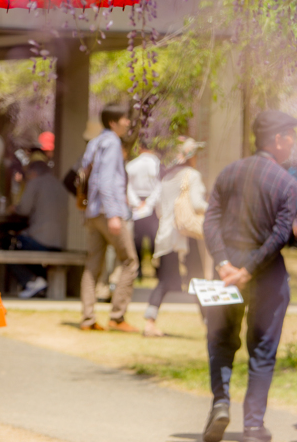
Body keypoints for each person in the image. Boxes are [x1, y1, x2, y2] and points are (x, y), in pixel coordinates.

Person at [202, 109, 297, 442]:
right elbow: (280, 234)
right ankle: (254, 426)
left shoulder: (229, 172)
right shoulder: (285, 181)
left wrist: (224, 263)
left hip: (226, 276)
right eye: (290, 136)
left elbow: (210, 221)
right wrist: (250, 270)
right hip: (267, 276)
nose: (293, 143)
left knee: (220, 340)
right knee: (262, 349)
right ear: (277, 139)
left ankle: (220, 403)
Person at [79, 102, 139, 332]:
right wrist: (114, 214)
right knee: (130, 261)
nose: (128, 123)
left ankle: (87, 318)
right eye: (125, 119)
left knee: (93, 265)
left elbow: (85, 173)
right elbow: (105, 180)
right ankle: (117, 316)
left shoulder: (94, 142)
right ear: (114, 122)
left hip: (92, 212)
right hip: (107, 212)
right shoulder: (113, 142)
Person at [143, 138, 207, 337]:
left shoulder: (167, 177)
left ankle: (149, 322)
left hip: (166, 234)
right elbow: (197, 204)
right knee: (198, 280)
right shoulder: (192, 175)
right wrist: (215, 209)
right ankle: (209, 324)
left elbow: (160, 209)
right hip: (184, 235)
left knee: (165, 279)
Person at [10, 157, 68, 298]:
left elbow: (23, 210)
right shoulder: (60, 185)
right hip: (60, 242)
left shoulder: (35, 182)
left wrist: (12, 208)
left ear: (33, 173)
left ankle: (32, 281)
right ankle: (39, 283)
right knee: (27, 246)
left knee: (10, 244)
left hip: (41, 240)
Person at [126, 144, 161, 280]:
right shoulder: (156, 163)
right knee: (153, 238)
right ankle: (154, 269)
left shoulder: (132, 164)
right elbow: (159, 186)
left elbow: (128, 187)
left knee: (138, 239)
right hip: (148, 204)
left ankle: (140, 269)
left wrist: (138, 203)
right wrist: (148, 203)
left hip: (140, 204)